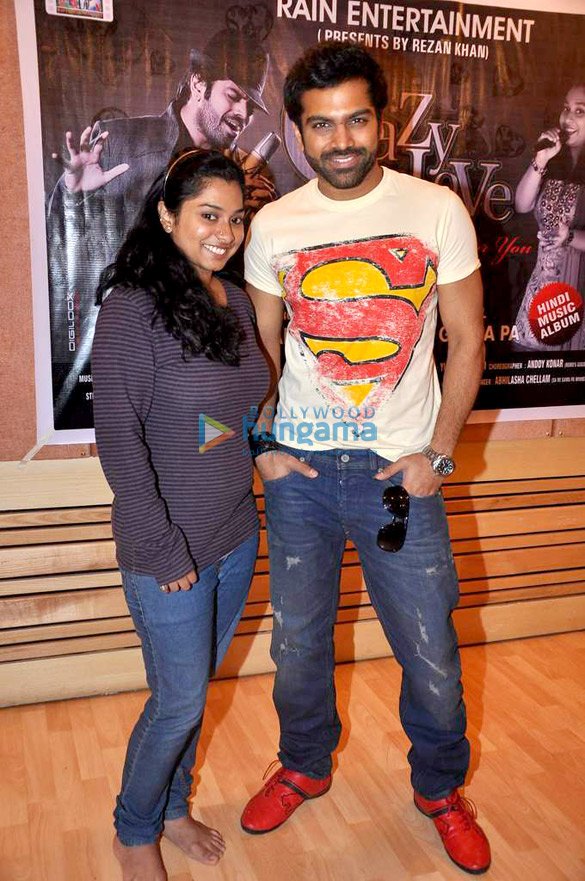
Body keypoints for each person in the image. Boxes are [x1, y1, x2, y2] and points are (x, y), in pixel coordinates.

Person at [240, 42, 491, 876]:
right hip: (301, 477)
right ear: (296, 132)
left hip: (398, 478)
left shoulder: (435, 210)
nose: (340, 139)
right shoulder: (273, 224)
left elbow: (466, 342)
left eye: (355, 120)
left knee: (430, 653)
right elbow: (257, 350)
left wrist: (438, 456)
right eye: (321, 125)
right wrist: (261, 447)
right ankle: (304, 764)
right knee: (297, 646)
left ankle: (440, 789)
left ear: (382, 123)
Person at [92, 149, 270, 881]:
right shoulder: (132, 308)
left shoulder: (232, 299)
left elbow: (226, 414)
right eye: (208, 215)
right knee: (178, 701)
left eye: (236, 218)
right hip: (168, 550)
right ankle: (134, 831)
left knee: (192, 698)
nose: (225, 232)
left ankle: (171, 809)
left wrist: (261, 450)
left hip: (235, 534)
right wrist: (164, 549)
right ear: (167, 215)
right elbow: (119, 441)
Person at [48, 15, 278, 429]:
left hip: (204, 376)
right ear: (198, 82)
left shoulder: (243, 177)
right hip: (133, 355)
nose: (243, 113)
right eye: (234, 96)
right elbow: (63, 254)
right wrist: (71, 197)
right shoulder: (119, 142)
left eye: (251, 105)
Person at [514, 81, 585, 350]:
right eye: (566, 108)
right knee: (530, 368)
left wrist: (570, 238)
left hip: (578, 292)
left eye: (580, 111)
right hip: (542, 296)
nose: (568, 118)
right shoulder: (555, 161)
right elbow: (522, 204)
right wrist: (541, 159)